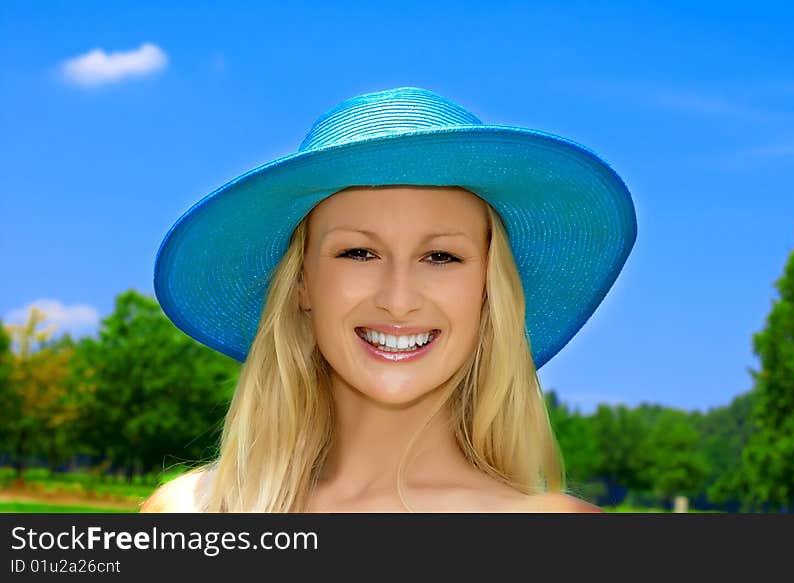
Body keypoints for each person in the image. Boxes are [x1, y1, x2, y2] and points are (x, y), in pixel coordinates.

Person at [143, 86, 637, 512]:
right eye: (358, 252)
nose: (398, 301)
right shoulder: (189, 513)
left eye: (441, 257)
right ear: (301, 284)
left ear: (489, 290)